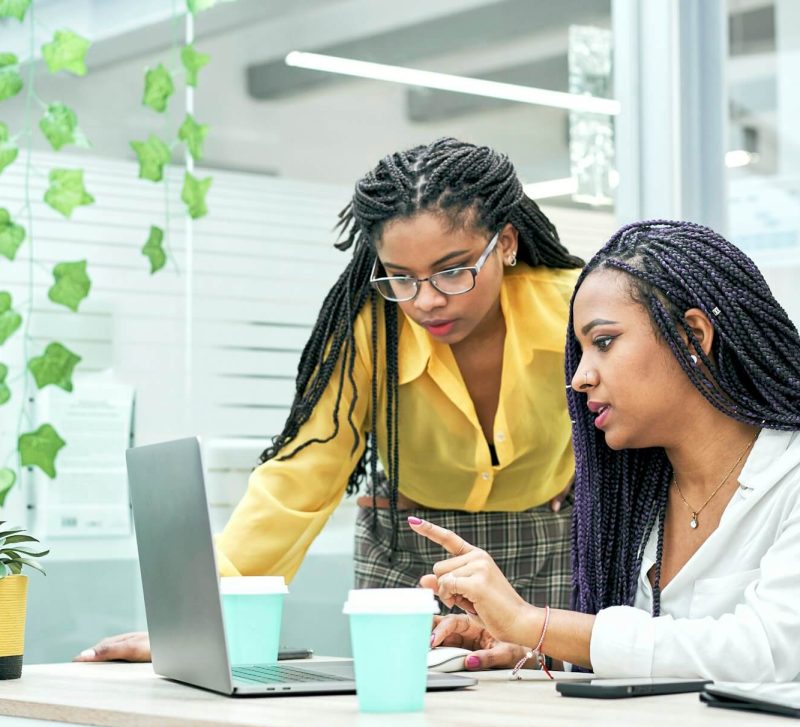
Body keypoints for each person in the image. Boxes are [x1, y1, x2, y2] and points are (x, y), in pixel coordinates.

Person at [76, 137, 583, 664]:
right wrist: (201, 619)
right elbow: (302, 475)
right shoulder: (370, 329)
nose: (426, 300)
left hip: (551, 539)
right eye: (401, 278)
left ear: (504, 242)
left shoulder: (575, 308)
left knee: (552, 722)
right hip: (410, 548)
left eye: (453, 270)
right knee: (402, 721)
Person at [409, 219, 800, 727]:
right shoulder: (636, 504)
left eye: (605, 342)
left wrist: (540, 624)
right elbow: (659, 662)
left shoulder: (790, 475)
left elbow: (765, 653)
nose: (579, 375)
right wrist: (532, 649)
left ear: (694, 335)